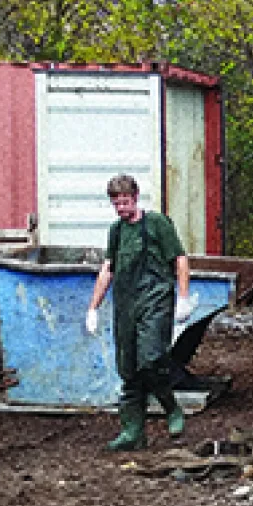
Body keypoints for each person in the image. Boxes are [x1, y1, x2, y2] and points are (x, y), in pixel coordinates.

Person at [85, 174, 194, 451]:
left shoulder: (157, 223)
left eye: (125, 202)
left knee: (150, 358)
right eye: (116, 204)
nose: (121, 208)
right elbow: (108, 268)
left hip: (156, 300)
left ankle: (171, 408)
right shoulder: (117, 231)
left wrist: (182, 297)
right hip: (126, 305)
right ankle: (133, 433)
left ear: (135, 197)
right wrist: (93, 307)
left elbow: (180, 259)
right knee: (129, 369)